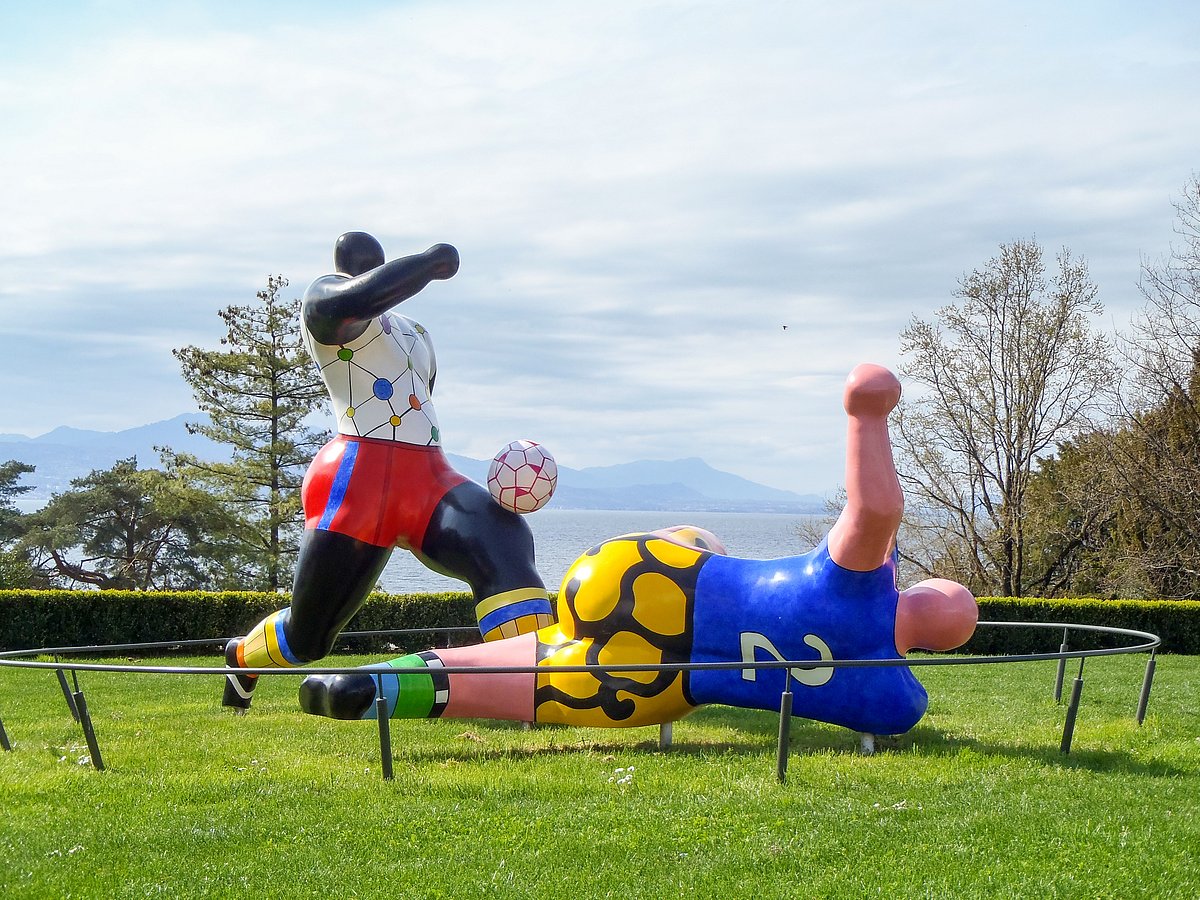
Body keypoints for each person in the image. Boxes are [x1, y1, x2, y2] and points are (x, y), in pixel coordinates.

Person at [298, 364, 978, 736]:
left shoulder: (862, 585)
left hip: (654, 577)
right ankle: (379, 688)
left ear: (922, 592)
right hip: (657, 683)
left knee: (692, 545)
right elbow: (890, 711)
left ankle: (370, 685)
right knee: (537, 673)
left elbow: (878, 509)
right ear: (936, 642)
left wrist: (868, 414)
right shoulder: (891, 694)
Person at [223, 233, 553, 711]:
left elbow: (419, 391)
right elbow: (354, 301)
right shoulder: (325, 301)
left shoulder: (415, 332)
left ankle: (539, 681)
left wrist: (420, 271)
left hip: (429, 477)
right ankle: (242, 657)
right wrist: (426, 264)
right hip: (357, 477)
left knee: (501, 543)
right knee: (309, 638)